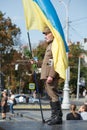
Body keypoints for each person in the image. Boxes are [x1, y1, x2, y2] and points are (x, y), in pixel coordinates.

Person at [40, 26, 62, 125]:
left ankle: (57, 118)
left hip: (50, 76)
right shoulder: (50, 45)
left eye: (46, 34)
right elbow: (49, 62)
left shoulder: (55, 45)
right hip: (47, 75)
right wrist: (35, 63)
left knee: (53, 96)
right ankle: (55, 116)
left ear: (52, 33)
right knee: (51, 96)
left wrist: (51, 75)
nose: (45, 36)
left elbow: (56, 62)